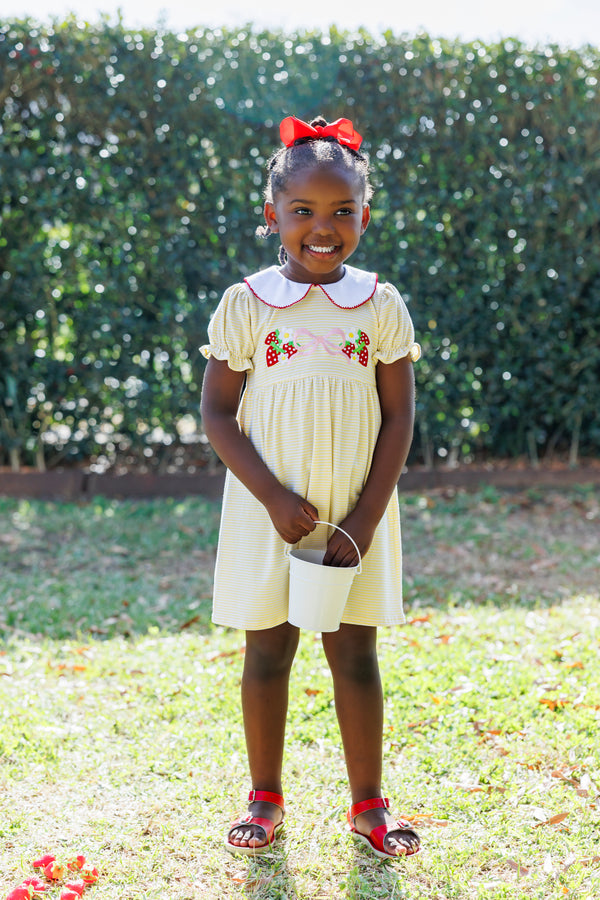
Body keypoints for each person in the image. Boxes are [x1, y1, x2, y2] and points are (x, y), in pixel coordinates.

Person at [200, 115, 421, 860]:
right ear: (273, 215)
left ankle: (369, 805)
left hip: (358, 516)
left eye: (341, 212)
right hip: (271, 515)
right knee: (269, 654)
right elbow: (217, 412)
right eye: (303, 212)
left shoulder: (381, 305)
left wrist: (362, 518)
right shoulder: (248, 304)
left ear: (366, 214)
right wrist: (270, 496)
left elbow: (398, 420)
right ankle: (265, 798)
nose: (322, 229)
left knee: (355, 656)